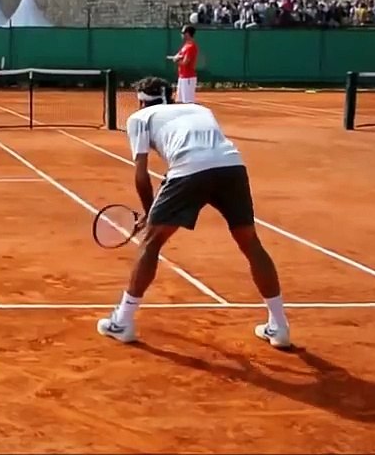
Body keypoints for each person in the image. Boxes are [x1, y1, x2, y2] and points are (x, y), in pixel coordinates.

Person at [97, 76, 291, 349]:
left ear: (141, 101)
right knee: (250, 242)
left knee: (151, 243)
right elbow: (203, 151)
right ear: (170, 95)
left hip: (189, 170)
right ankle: (279, 326)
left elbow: (141, 174)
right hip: (232, 167)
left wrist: (149, 211)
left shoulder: (139, 118)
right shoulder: (200, 109)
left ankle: (123, 321)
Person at [166, 24, 199, 104]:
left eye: (183, 33)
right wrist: (176, 58)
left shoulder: (191, 47)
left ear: (187, 34)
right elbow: (178, 55)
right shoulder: (185, 46)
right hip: (182, 77)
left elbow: (185, 62)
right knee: (180, 102)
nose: (181, 35)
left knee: (188, 103)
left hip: (188, 78)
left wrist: (176, 60)